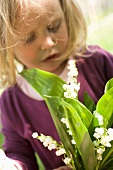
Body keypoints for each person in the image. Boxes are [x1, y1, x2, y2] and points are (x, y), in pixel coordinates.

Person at [0, 0, 113, 170]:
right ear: (5, 45)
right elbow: (20, 156)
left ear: (66, 16)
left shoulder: (97, 63)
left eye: (54, 26)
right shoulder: (12, 104)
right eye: (29, 38)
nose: (48, 43)